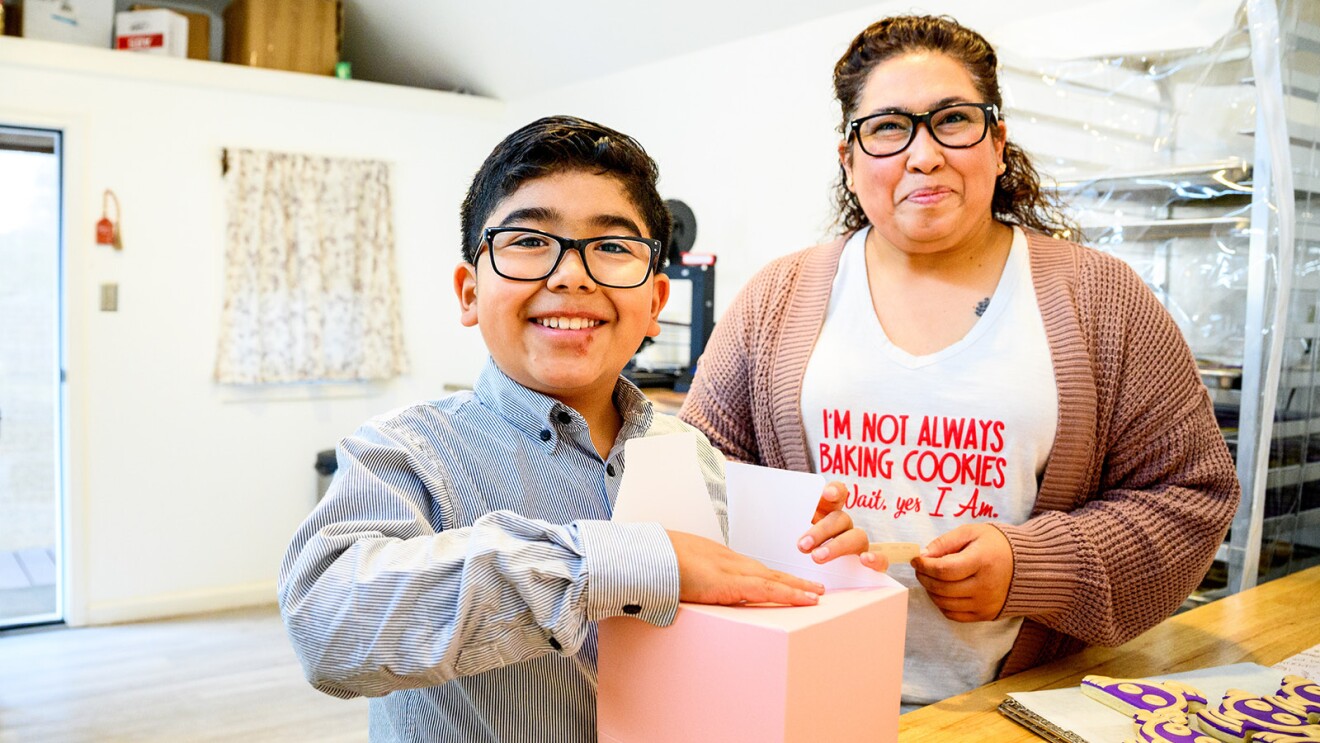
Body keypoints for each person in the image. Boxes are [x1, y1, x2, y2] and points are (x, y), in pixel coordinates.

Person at [679, 15, 1240, 710]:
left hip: (1015, 705)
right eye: (887, 128)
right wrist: (792, 530)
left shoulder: (1102, 299)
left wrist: (1031, 567)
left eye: (953, 120)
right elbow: (693, 481)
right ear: (849, 161)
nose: (923, 154)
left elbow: (1190, 496)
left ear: (998, 143)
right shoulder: (778, 297)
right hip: (801, 696)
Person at [277, 115, 824, 743]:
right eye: (530, 241)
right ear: (468, 292)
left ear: (655, 304)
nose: (571, 275)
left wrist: (808, 561)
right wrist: (613, 563)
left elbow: (729, 619)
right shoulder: (404, 452)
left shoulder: (689, 451)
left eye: (614, 247)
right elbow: (327, 630)